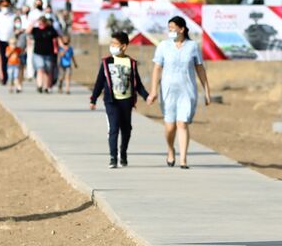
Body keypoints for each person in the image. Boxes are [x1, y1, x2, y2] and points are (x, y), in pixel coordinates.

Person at [148, 15, 211, 169]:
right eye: (169, 29)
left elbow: (200, 69)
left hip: (187, 91)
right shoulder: (163, 46)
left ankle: (183, 159)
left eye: (173, 29)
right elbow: (157, 68)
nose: (170, 31)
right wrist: (153, 90)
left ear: (182, 29)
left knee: (182, 123)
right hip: (168, 91)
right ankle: (170, 150)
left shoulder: (193, 46)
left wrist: (207, 91)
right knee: (170, 127)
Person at [89, 31, 149, 168]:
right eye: (111, 43)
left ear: (124, 46)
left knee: (126, 129)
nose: (112, 46)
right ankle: (113, 157)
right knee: (114, 128)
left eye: (115, 44)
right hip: (111, 101)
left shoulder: (131, 63)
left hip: (126, 101)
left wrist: (146, 96)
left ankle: (123, 153)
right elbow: (99, 82)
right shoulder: (106, 62)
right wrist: (93, 99)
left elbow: (137, 84)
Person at [28, 14, 59, 93]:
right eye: (39, 23)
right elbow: (28, 31)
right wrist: (33, 22)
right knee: (40, 68)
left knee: (47, 70)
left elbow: (55, 39)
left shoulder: (50, 29)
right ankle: (39, 85)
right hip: (38, 53)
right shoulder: (36, 30)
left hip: (48, 53)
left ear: (45, 23)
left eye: (42, 23)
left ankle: (46, 86)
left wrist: (56, 48)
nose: (40, 24)